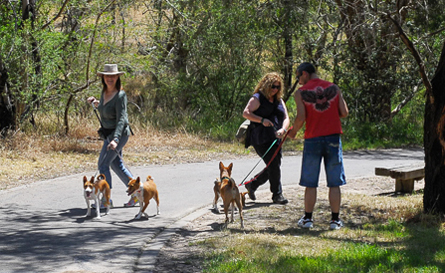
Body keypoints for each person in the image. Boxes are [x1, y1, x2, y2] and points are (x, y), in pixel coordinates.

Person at [288, 62, 349, 230]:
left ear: (305, 73)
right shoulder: (334, 88)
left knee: (311, 182)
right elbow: (344, 112)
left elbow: (301, 117)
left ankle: (308, 219)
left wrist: (292, 133)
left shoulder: (301, 93)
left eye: (298, 77)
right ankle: (335, 220)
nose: (299, 81)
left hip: (313, 139)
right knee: (334, 182)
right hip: (333, 139)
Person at [87, 64, 137, 208]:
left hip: (119, 135)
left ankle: (106, 199)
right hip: (109, 135)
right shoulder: (104, 93)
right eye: (107, 76)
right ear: (103, 77)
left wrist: (115, 140)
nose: (110, 78)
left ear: (117, 77)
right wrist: (96, 103)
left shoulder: (120, 95)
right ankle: (137, 191)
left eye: (113, 76)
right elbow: (106, 109)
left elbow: (122, 119)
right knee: (116, 165)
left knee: (103, 164)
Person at [242, 72, 290, 204]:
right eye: (273, 86)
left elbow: (286, 118)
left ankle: (252, 184)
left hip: (275, 137)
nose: (275, 90)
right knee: (273, 164)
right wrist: (262, 120)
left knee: (274, 165)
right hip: (260, 138)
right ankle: (277, 195)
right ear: (267, 85)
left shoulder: (279, 100)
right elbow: (246, 113)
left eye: (278, 87)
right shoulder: (258, 98)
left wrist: (283, 129)